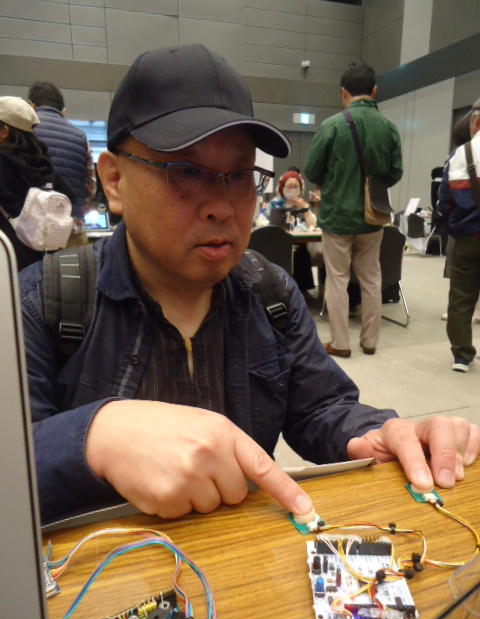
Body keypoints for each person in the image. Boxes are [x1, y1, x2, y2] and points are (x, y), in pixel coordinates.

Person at [19, 45, 479, 525]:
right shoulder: (44, 303)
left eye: (239, 175)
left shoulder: (269, 292)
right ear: (114, 181)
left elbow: (321, 406)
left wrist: (379, 431)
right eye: (186, 171)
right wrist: (91, 437)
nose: (222, 207)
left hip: (248, 557)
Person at [304, 62, 403, 358]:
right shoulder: (388, 127)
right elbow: (395, 173)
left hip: (337, 215)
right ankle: (370, 341)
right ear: (375, 91)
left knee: (337, 279)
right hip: (373, 215)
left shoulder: (332, 125)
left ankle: (341, 343)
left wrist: (335, 183)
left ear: (343, 92)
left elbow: (312, 170)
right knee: (371, 278)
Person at [0, 96, 73, 270]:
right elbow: (69, 194)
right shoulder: (42, 161)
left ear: (5, 131)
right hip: (41, 257)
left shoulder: (2, 161)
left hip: (8, 259)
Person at [438, 101, 480, 373]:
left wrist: (453, 226)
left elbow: (443, 201)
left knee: (461, 298)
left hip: (467, 237)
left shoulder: (460, 155)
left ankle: (462, 356)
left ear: (475, 122)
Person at [28, 81, 96, 246]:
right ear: (63, 110)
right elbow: (90, 187)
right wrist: (79, 208)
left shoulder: (24, 133)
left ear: (30, 106)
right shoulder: (81, 137)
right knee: (75, 263)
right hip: (71, 229)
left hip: (31, 232)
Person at [262, 170, 317, 298]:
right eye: (289, 186)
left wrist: (305, 209)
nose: (292, 189)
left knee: (302, 253)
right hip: (278, 244)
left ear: (300, 188)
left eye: (295, 186)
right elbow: (262, 219)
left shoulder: (302, 204)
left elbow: (313, 223)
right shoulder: (275, 203)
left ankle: (303, 290)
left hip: (299, 243)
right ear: (282, 188)